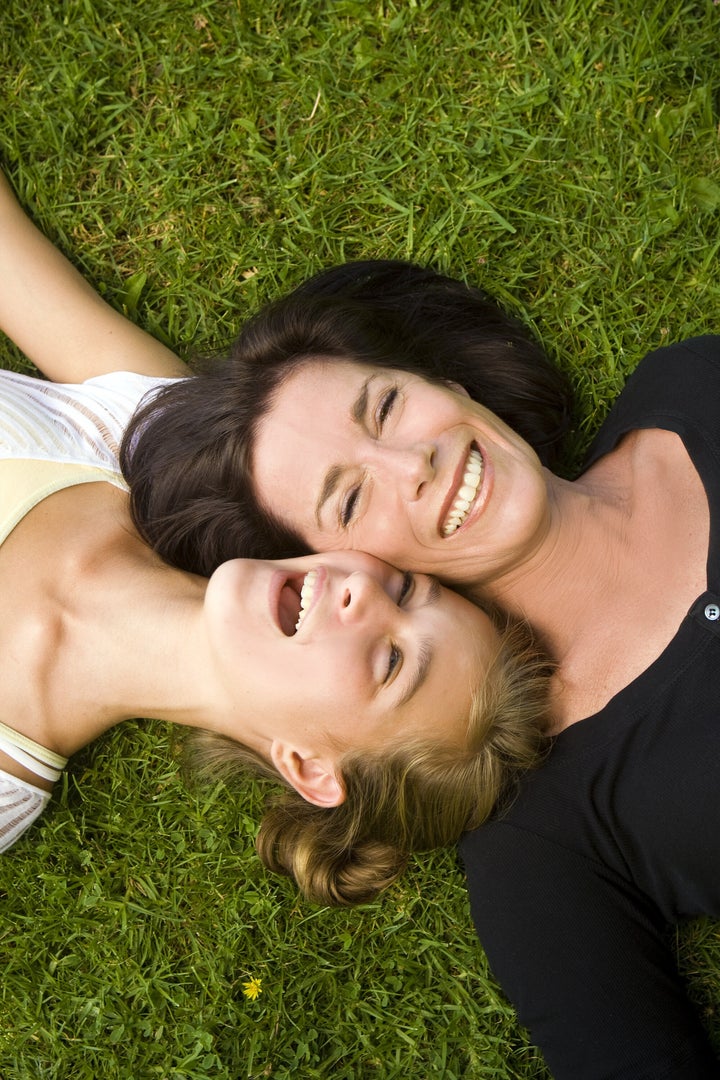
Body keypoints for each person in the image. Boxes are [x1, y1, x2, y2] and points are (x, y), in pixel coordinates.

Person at [122, 262, 720, 1078]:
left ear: (444, 381)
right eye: (350, 501)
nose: (413, 463)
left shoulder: (691, 377)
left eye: (389, 407)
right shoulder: (543, 840)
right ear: (335, 564)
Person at [0, 173, 553, 910]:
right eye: (405, 588)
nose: (363, 592)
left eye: (391, 663)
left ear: (311, 768)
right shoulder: (155, 448)